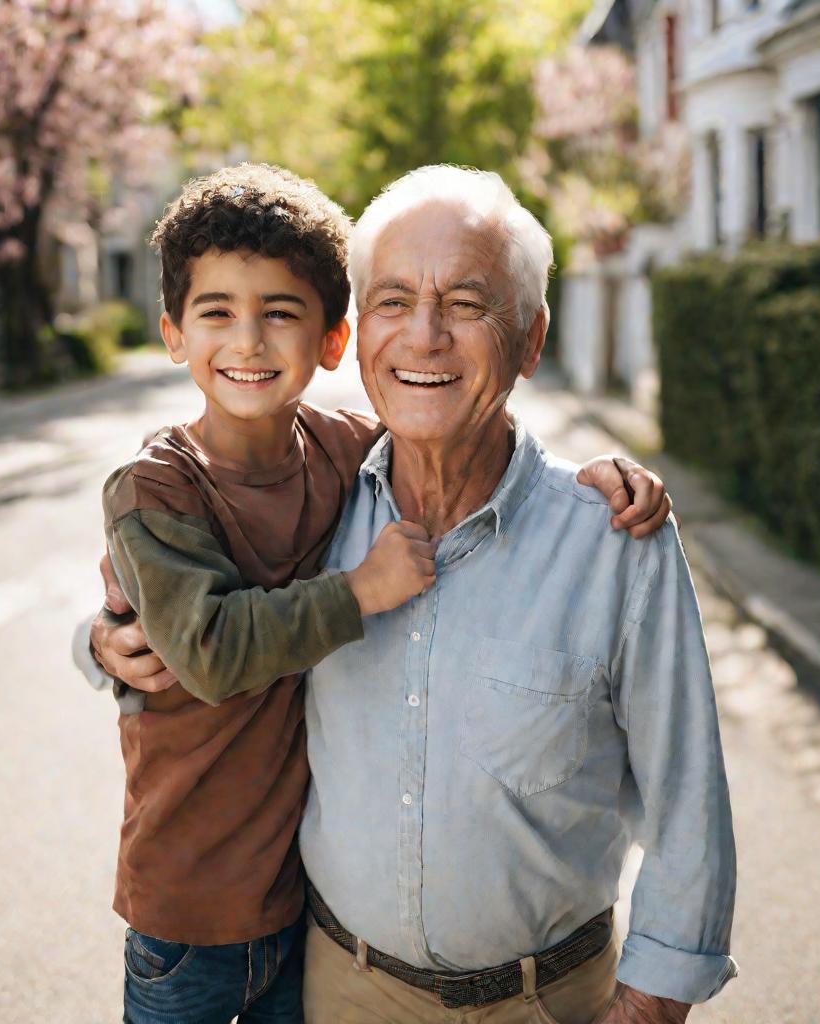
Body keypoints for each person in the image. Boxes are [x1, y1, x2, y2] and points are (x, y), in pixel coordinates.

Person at [79, 163, 678, 1024]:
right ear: (173, 332)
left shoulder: (339, 453)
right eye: (217, 314)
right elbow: (202, 649)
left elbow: (462, 422)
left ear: (333, 340)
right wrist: (358, 590)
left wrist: (587, 481)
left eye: (280, 315)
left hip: (296, 913)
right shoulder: (157, 487)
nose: (248, 343)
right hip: (188, 915)